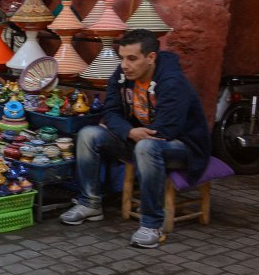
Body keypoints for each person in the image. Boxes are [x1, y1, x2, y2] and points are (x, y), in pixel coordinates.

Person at [59, 30, 211, 248]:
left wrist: (133, 134)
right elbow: (110, 111)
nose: (124, 65)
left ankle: (151, 224)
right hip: (138, 138)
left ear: (151, 58)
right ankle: (90, 203)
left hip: (183, 145)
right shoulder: (122, 76)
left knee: (148, 147)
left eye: (132, 58)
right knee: (88, 134)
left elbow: (168, 129)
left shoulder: (172, 82)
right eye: (122, 57)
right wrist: (129, 132)